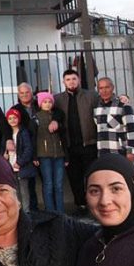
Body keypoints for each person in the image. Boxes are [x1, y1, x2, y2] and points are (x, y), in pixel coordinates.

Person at [54, 69, 100, 213]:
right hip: (69, 146)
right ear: (63, 82)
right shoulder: (58, 99)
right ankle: (80, 205)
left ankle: (93, 205)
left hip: (89, 144)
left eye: (74, 79)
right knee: (74, 178)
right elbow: (45, 108)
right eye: (68, 79)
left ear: (79, 80)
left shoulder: (91, 96)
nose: (71, 82)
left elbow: (106, 102)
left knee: (91, 177)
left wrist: (124, 98)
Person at [10, 83, 46, 211]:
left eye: (27, 92)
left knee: (46, 180)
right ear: (18, 95)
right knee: (29, 182)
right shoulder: (15, 109)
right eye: (22, 93)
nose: (25, 95)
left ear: (32, 93)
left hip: (43, 146)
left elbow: (54, 112)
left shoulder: (40, 105)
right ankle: (32, 210)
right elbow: (9, 126)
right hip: (26, 149)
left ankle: (48, 209)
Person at [34, 91, 68, 213]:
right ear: (40, 104)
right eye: (45, 102)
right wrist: (35, 156)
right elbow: (33, 137)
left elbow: (64, 137)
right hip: (44, 155)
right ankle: (50, 211)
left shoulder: (57, 116)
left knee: (58, 185)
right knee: (48, 184)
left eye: (49, 102)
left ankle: (60, 212)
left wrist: (66, 157)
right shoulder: (36, 118)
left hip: (59, 155)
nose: (47, 104)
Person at [94, 77, 134, 162]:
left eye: (107, 87)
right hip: (102, 154)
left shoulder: (123, 106)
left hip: (120, 153)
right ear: (98, 90)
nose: (104, 91)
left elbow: (132, 130)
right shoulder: (96, 107)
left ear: (113, 88)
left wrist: (131, 151)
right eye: (101, 88)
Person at [2, 108, 36, 213]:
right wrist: (4, 155)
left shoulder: (23, 132)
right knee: (14, 190)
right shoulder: (7, 134)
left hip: (21, 167)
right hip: (11, 166)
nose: (12, 120)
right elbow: (3, 148)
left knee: (24, 191)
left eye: (14, 118)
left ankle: (26, 212)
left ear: (19, 119)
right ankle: (18, 211)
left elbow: (28, 149)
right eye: (10, 118)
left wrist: (20, 162)